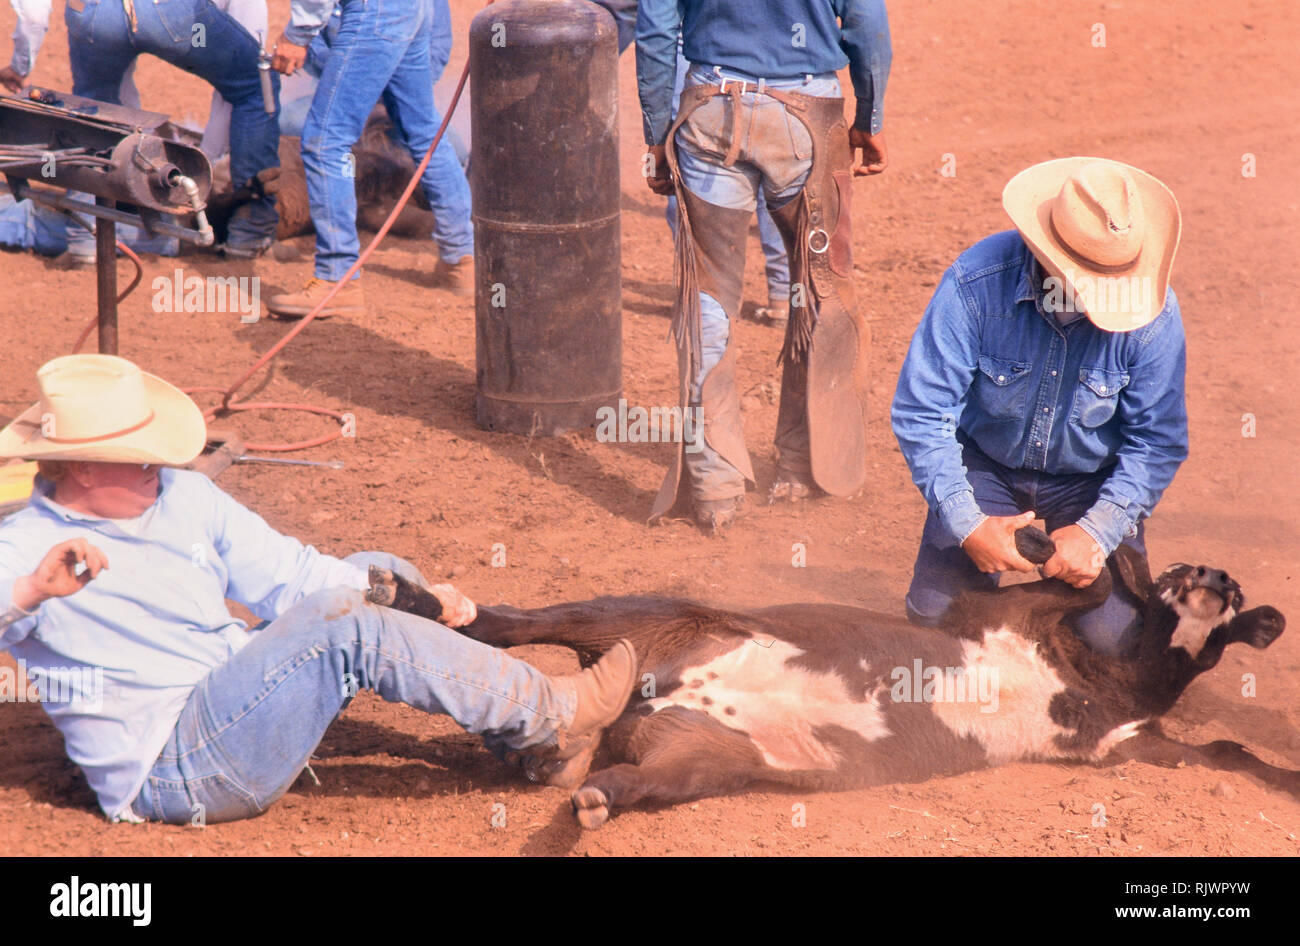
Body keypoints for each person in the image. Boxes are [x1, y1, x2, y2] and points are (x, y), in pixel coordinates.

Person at [0, 354, 635, 824]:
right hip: (177, 770)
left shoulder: (181, 495)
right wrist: (29, 592)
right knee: (347, 620)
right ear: (80, 465)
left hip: (230, 698)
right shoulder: (26, 549)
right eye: (140, 457)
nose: (158, 467)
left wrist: (415, 597)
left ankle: (535, 750)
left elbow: (292, 574)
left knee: (379, 571)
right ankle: (551, 708)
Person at [891, 158, 1188, 656]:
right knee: (935, 626)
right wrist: (969, 523)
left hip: (1089, 481)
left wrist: (1097, 532)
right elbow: (923, 413)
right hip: (985, 465)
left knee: (1117, 647)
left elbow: (1156, 442)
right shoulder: (976, 282)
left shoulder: (1155, 318)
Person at [637, 0, 892, 534]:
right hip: (808, 119)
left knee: (708, 302)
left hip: (709, 110)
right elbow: (866, 23)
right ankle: (805, 470)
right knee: (821, 293)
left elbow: (658, 29)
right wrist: (868, 119)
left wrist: (658, 132)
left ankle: (713, 486)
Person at [1, 0, 282, 259]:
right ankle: (250, 232)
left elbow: (34, 15)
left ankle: (85, 238)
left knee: (96, 108)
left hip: (93, 14)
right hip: (168, 11)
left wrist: (20, 65)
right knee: (255, 84)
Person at [264, 0, 474, 319]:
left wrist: (297, 35)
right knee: (423, 129)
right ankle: (461, 259)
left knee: (324, 140)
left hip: (374, 11)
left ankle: (337, 277)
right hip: (410, 9)